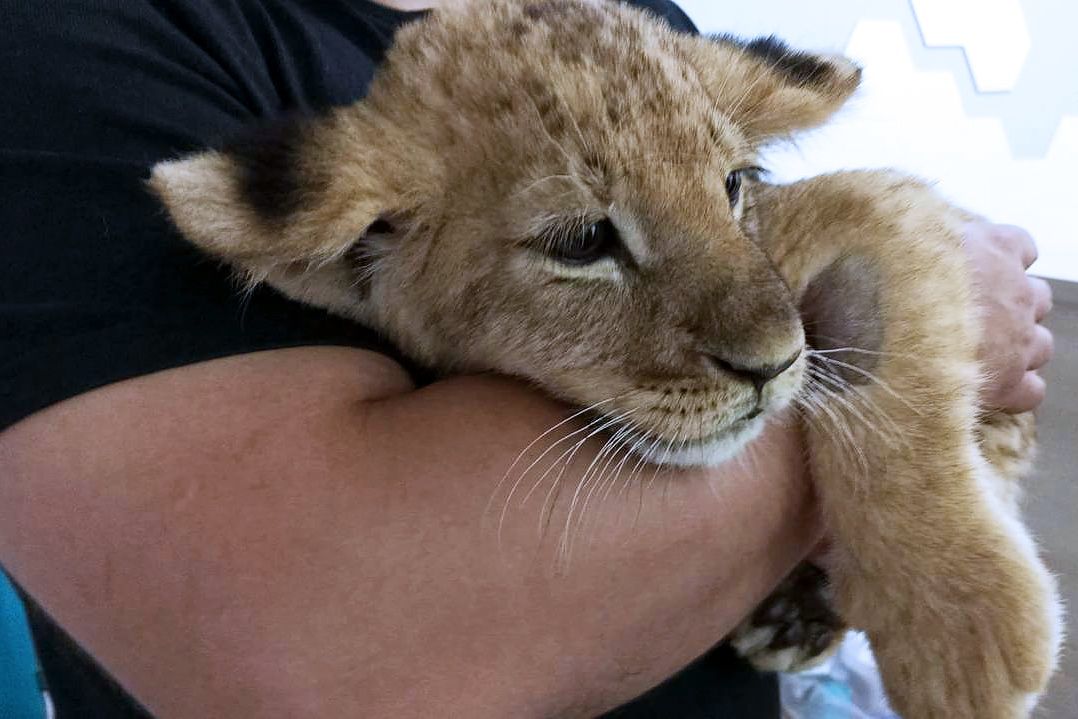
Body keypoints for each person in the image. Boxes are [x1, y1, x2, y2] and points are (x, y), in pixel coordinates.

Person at [0, 0, 1054, 716]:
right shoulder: (72, 44)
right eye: (579, 239)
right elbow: (339, 670)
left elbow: (825, 226)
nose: (762, 339)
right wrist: (901, 387)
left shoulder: (624, 23)